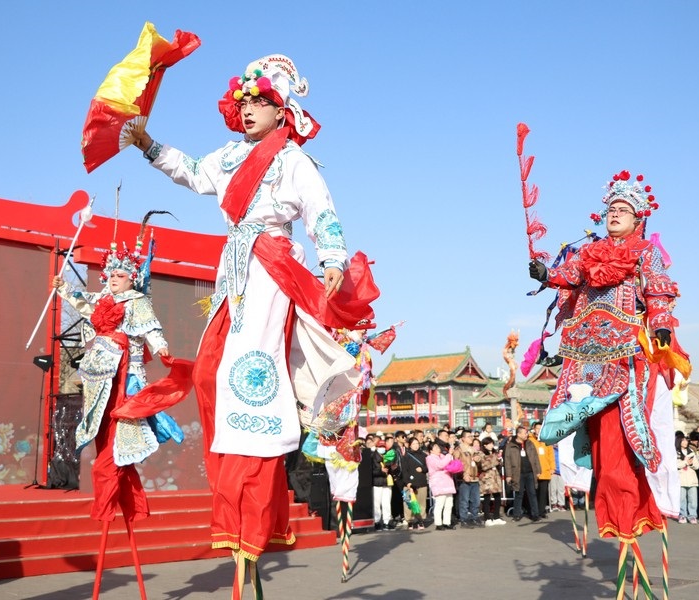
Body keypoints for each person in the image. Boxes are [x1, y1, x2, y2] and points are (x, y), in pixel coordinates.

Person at [129, 54, 378, 586]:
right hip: (234, 268)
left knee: (252, 373)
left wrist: (333, 258)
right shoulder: (229, 156)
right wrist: (148, 145)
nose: (248, 110)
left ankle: (258, 477)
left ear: (281, 110)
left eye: (259, 102)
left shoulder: (293, 161)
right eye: (243, 102)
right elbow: (193, 172)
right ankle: (233, 478)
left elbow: (321, 211)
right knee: (209, 371)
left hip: (271, 267)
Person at [528, 169, 690, 542]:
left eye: (622, 210)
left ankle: (636, 508)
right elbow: (567, 275)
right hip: (585, 353)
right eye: (611, 209)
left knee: (625, 431)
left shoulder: (645, 251)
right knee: (596, 434)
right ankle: (600, 491)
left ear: (637, 218)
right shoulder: (588, 251)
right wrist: (545, 274)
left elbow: (658, 290)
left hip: (626, 351)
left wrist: (661, 325)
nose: (614, 214)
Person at [52, 238, 178, 523]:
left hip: (125, 372)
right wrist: (64, 289)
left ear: (131, 279)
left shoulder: (137, 302)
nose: (113, 279)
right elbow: (82, 302)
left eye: (119, 275)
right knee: (101, 427)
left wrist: (161, 347)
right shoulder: (103, 300)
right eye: (110, 275)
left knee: (118, 438)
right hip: (99, 372)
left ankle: (115, 496)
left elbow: (151, 328)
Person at [504, 426, 541, 522]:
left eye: (526, 433)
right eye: (524, 433)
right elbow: (507, 461)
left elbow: (536, 457)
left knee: (532, 493)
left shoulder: (530, 443)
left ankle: (535, 515)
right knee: (518, 494)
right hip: (517, 473)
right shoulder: (510, 445)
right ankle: (517, 515)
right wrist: (508, 475)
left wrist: (538, 470)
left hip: (530, 472)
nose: (526, 435)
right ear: (518, 434)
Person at [426, 441, 456, 530]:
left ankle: (447, 522)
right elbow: (440, 465)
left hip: (447, 482)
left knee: (449, 504)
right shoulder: (430, 458)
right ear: (431, 451)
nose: (438, 449)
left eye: (438, 447)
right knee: (440, 504)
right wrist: (449, 455)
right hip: (439, 483)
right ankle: (438, 523)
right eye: (435, 448)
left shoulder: (442, 456)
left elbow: (449, 463)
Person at [400, 437, 428, 529]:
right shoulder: (406, 456)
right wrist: (407, 482)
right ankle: (410, 521)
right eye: (413, 444)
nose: (416, 445)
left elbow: (428, 467)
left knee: (421, 503)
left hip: (421, 482)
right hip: (409, 483)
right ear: (410, 445)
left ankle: (420, 520)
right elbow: (404, 471)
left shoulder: (424, 455)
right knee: (409, 503)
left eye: (417, 443)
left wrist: (422, 469)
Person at [528, 420, 555, 518]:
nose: (539, 430)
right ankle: (534, 512)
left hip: (545, 470)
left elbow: (551, 455)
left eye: (540, 428)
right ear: (534, 429)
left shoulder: (547, 441)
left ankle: (541, 511)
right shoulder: (530, 440)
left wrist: (552, 467)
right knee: (533, 492)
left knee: (543, 493)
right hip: (534, 471)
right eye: (537, 428)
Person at [456, 431, 482, 527]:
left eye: (471, 436)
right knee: (464, 500)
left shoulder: (473, 449)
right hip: (464, 478)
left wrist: (478, 459)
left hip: (475, 478)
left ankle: (474, 517)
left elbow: (479, 463)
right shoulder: (459, 449)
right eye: (468, 436)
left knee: (476, 500)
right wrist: (463, 474)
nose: (471, 438)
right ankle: (463, 519)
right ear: (463, 438)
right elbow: (456, 464)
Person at [478, 436, 506, 525]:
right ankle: (487, 518)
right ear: (485, 445)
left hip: (495, 477)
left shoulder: (495, 453)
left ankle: (496, 516)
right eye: (489, 444)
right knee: (487, 498)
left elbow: (498, 465)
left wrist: (500, 461)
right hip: (486, 478)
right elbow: (484, 466)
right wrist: (495, 461)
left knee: (497, 497)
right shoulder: (481, 454)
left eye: (492, 444)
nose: (491, 446)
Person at [676, 435, 699, 523]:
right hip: (681, 478)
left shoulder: (692, 452)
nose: (685, 442)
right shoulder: (676, 453)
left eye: (686, 440)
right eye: (683, 440)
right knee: (681, 498)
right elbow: (676, 465)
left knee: (693, 499)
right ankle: (682, 515)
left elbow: (697, 466)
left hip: (692, 478)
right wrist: (685, 462)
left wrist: (691, 463)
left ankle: (692, 516)